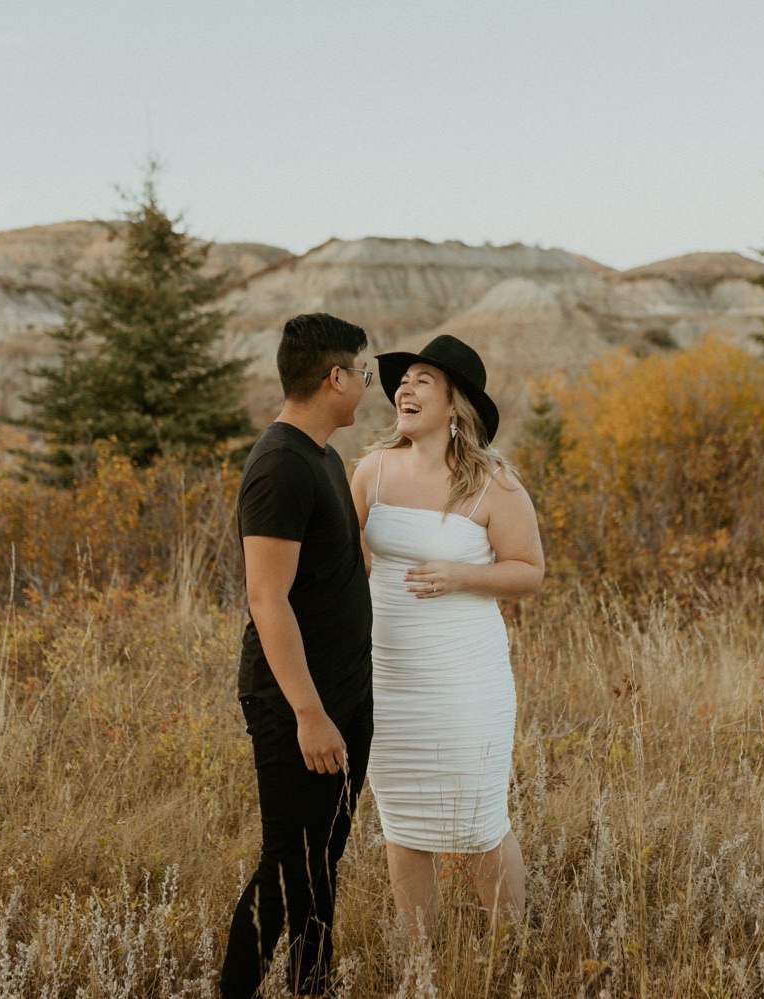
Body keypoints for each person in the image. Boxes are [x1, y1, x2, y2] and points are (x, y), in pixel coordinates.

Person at [349, 334, 545, 942]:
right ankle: (418, 958)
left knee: (477, 823)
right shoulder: (373, 469)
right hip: (389, 670)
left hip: (464, 677)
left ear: (455, 402)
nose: (404, 388)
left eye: (421, 380)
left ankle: (509, 951)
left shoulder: (495, 484)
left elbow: (530, 572)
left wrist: (462, 574)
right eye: (401, 381)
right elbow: (348, 564)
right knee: (403, 822)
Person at [220, 312, 375, 999]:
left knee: (320, 865)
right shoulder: (281, 465)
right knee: (288, 867)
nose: (368, 384)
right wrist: (310, 714)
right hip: (297, 706)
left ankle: (312, 985)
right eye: (363, 372)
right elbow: (267, 598)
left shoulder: (325, 457)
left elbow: (341, 569)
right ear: (333, 377)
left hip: (344, 696)